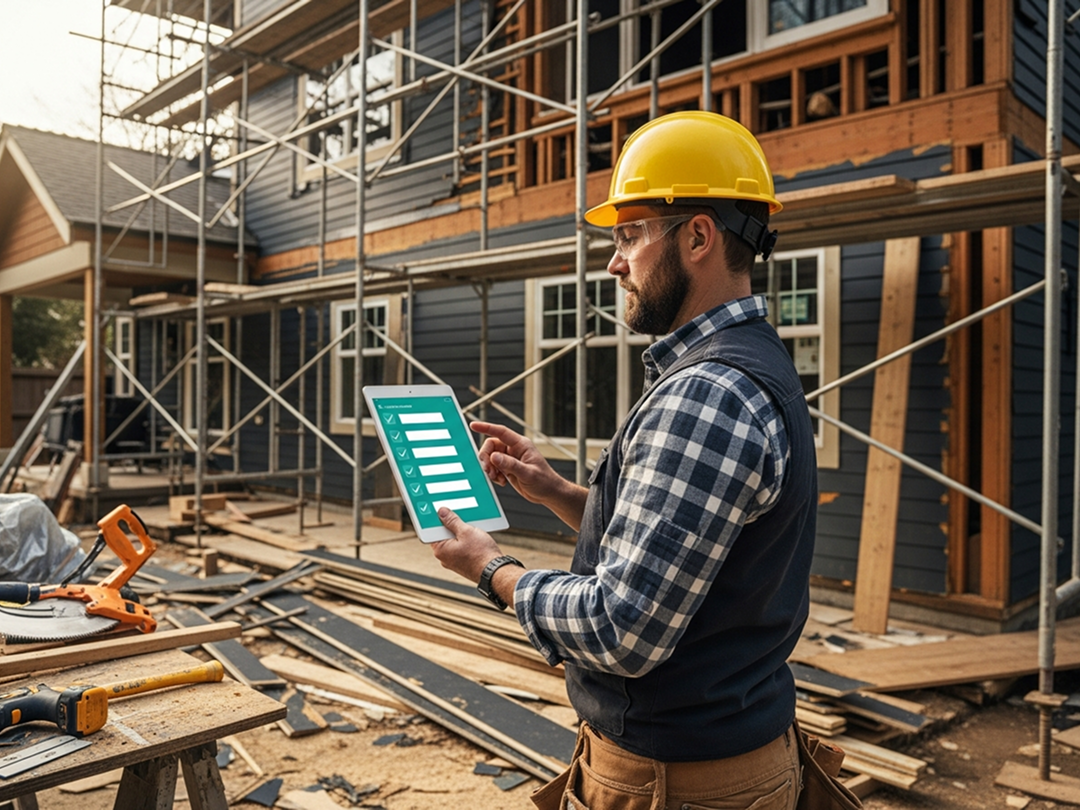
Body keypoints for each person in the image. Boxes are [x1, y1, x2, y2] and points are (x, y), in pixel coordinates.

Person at [430, 110, 818, 810]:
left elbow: (620, 627)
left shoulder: (706, 392)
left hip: (680, 782)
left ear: (698, 236)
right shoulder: (745, 362)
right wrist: (557, 491)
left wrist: (493, 569)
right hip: (717, 758)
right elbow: (683, 544)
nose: (614, 263)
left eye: (630, 235)